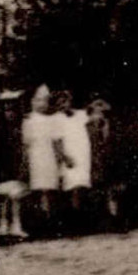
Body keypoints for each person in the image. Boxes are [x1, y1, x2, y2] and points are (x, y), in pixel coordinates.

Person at [21, 84, 60, 226]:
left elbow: (55, 141)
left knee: (49, 187)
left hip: (48, 155)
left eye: (44, 101)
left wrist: (58, 158)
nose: (42, 104)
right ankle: (38, 219)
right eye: (38, 100)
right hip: (35, 155)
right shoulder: (28, 120)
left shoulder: (52, 120)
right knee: (37, 187)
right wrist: (25, 160)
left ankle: (50, 217)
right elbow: (26, 143)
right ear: (32, 102)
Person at [0, 89, 29, 238]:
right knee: (5, 197)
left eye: (12, 110)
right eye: (7, 110)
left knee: (16, 196)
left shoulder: (19, 127)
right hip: (3, 165)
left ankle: (16, 224)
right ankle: (3, 224)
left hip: (15, 164)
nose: (10, 114)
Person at [55, 90, 92, 228]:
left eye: (65, 101)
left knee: (83, 185)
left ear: (70, 101)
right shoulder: (58, 119)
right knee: (73, 187)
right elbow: (57, 141)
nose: (63, 105)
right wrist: (64, 157)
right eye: (60, 104)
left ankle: (84, 219)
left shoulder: (81, 115)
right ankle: (74, 221)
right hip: (70, 155)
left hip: (83, 154)